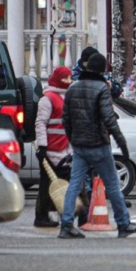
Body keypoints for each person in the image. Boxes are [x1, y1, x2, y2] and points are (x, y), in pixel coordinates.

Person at [59, 53, 136, 239]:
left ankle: (66, 224)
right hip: (99, 143)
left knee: (74, 184)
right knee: (112, 184)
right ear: (102, 70)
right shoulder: (101, 88)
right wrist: (121, 143)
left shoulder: (73, 88)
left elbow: (65, 118)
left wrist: (72, 138)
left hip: (79, 144)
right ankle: (123, 223)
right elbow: (109, 118)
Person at [33, 67, 81, 228]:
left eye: (70, 78)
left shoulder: (67, 96)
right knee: (46, 186)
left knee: (65, 184)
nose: (69, 81)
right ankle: (41, 216)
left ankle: (63, 214)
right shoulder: (48, 98)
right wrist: (42, 146)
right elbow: (41, 123)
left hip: (65, 148)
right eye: (66, 78)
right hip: (51, 148)